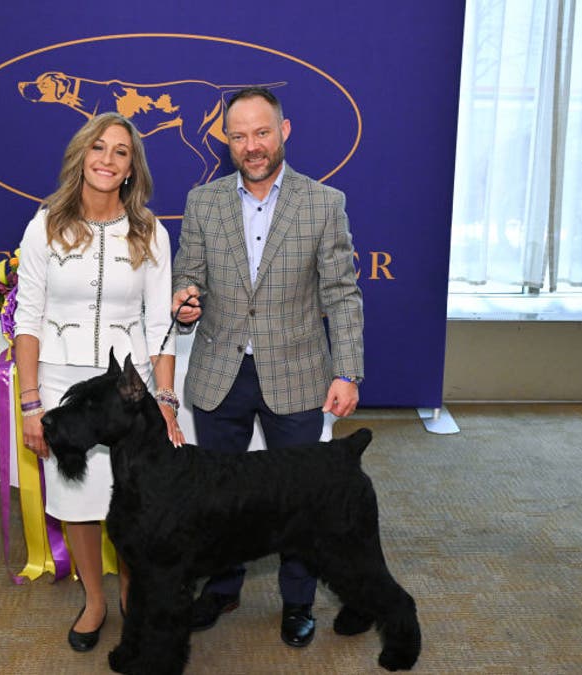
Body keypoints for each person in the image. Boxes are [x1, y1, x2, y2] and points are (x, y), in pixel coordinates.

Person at [171, 87, 365, 648]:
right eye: (238, 135)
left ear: (284, 131)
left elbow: (342, 294)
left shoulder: (324, 202)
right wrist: (185, 298)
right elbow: (190, 274)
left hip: (299, 373)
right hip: (218, 374)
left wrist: (347, 371)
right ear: (226, 140)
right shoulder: (203, 202)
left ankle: (298, 601)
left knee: (300, 501)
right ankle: (223, 585)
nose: (251, 146)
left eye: (261, 132)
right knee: (217, 500)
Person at [14, 112, 185, 653]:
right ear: (81, 156)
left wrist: (165, 400)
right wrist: (31, 403)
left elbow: (160, 325)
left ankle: (136, 594)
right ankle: (94, 600)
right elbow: (28, 319)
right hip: (65, 389)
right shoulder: (44, 225)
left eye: (121, 152)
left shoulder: (151, 232)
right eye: (99, 148)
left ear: (132, 168)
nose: (108, 160)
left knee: (140, 502)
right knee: (79, 501)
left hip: (127, 394)